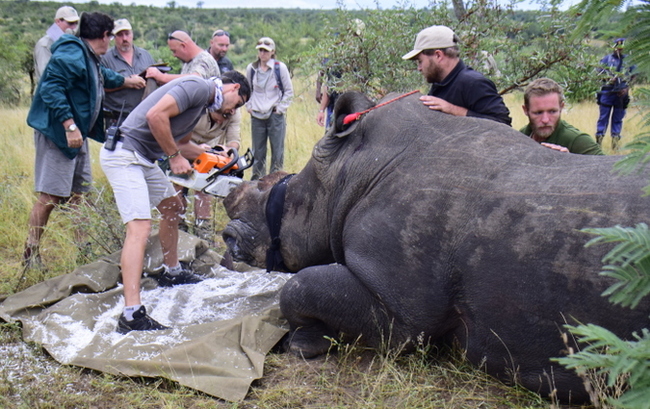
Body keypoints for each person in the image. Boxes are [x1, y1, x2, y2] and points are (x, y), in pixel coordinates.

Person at [99, 72, 250, 333]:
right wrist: (174, 157)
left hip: (143, 157)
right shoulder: (199, 87)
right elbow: (155, 117)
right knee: (139, 229)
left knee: (173, 207)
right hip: (125, 154)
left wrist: (214, 154)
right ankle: (131, 315)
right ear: (234, 87)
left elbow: (182, 143)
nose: (232, 110)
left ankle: (171, 271)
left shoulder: (202, 104)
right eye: (237, 103)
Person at [24, 12, 146, 269]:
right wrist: (69, 125)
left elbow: (101, 76)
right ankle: (30, 255)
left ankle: (84, 251)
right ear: (103, 36)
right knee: (50, 196)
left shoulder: (88, 56)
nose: (111, 41)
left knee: (80, 194)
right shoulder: (72, 54)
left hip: (76, 134)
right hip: (60, 133)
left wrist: (128, 80)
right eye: (110, 36)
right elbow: (50, 88)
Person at [402, 25, 511, 126]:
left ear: (438, 55)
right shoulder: (440, 83)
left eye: (420, 61)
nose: (419, 68)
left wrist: (453, 110)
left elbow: (503, 124)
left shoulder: (473, 82)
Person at [245, 37, 294, 180]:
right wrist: (249, 106)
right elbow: (248, 90)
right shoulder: (252, 68)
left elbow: (289, 91)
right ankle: (257, 182)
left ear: (272, 52)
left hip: (274, 114)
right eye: (260, 50)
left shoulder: (280, 68)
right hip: (257, 115)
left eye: (266, 50)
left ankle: (274, 182)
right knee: (258, 152)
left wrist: (280, 109)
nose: (263, 53)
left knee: (277, 151)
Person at [520, 78, 603, 155]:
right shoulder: (521, 137)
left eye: (552, 112)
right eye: (538, 113)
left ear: (561, 107)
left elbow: (609, 168)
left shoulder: (578, 141)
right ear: (526, 110)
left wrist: (570, 161)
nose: (545, 120)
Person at [101, 18, 155, 128]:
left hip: (144, 117)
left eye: (127, 34)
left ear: (132, 34)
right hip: (117, 119)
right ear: (113, 37)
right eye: (120, 35)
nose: (124, 38)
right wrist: (126, 82)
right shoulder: (105, 58)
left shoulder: (146, 56)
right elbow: (99, 87)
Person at [595, 38, 636, 151]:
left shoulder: (629, 61)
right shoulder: (606, 59)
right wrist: (607, 78)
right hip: (607, 92)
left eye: (621, 48)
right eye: (617, 47)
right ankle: (598, 145)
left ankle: (615, 146)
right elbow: (598, 72)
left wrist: (627, 88)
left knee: (617, 120)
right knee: (603, 118)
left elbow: (634, 75)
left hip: (621, 95)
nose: (619, 50)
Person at [145, 30, 219, 84]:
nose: (174, 55)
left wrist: (163, 77)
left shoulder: (204, 59)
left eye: (174, 51)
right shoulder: (188, 62)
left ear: (183, 46)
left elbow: (195, 79)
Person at [33, 5, 79, 83]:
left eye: (76, 23)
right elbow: (47, 77)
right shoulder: (45, 45)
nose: (74, 27)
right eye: (70, 23)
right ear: (58, 21)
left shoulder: (69, 42)